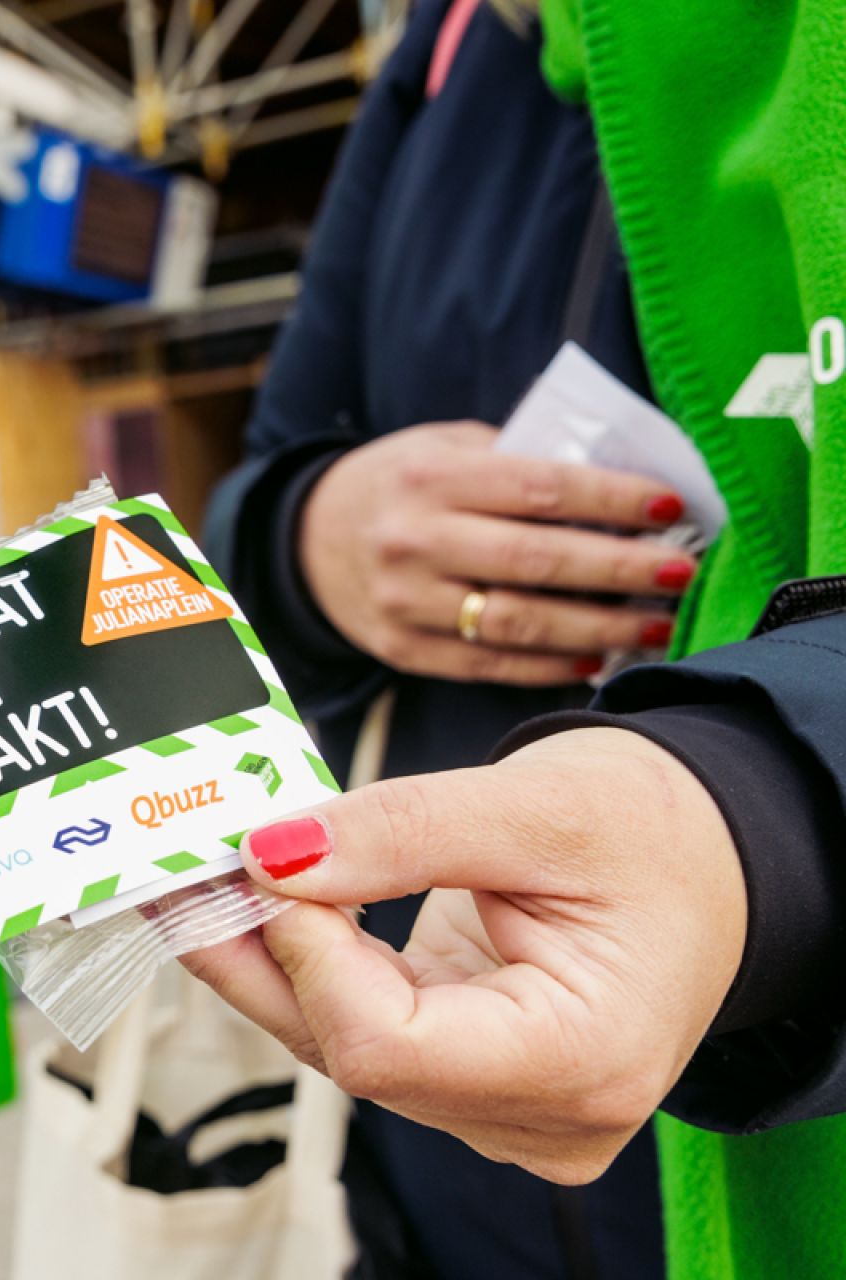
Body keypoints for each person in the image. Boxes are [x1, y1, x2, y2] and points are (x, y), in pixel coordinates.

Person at [187, 0, 846, 1275]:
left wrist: (764, 815)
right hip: (424, 1169)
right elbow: (258, 482)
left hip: (761, 1134)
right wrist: (314, 539)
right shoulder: (442, 58)